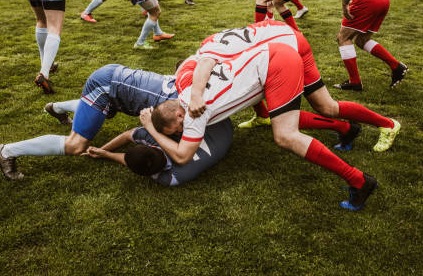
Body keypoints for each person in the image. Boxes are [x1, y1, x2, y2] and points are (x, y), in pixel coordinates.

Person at [142, 43, 378, 211]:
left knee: (285, 135)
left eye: (175, 131)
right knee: (283, 117)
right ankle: (346, 129)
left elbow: (182, 157)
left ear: (179, 116)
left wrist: (150, 129)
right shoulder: (186, 79)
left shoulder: (193, 114)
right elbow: (200, 60)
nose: (179, 134)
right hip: (268, 57)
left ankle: (358, 181)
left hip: (274, 65)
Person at [187, 19, 400, 152]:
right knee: (322, 106)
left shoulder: (206, 58)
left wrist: (196, 94)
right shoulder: (208, 42)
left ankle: (388, 125)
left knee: (315, 109)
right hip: (282, 34)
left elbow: (209, 66)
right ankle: (262, 116)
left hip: (287, 48)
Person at [0, 63, 180, 180]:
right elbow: (134, 133)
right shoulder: (172, 112)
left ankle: (56, 108)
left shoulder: (185, 96)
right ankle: (7, 151)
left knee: (104, 113)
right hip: (106, 86)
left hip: (117, 80)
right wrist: (104, 152)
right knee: (76, 145)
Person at [83, 118, 233, 186]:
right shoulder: (155, 139)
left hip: (227, 134)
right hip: (218, 121)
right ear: (153, 147)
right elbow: (127, 135)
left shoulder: (169, 179)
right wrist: (104, 151)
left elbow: (130, 155)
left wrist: (105, 153)